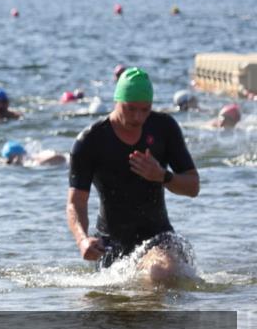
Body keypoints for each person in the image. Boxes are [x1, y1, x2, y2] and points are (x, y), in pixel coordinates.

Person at [66, 67, 200, 285]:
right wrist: (82, 240)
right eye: (130, 109)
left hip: (159, 238)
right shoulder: (90, 141)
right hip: (110, 246)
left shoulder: (164, 128)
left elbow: (193, 187)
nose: (138, 117)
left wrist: (163, 176)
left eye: (145, 110)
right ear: (117, 100)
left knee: (162, 272)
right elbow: (76, 202)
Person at [1, 140, 66, 166]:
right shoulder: (5, 163)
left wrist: (40, 163)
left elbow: (61, 157)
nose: (11, 161)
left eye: (11, 157)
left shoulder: (35, 161)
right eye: (8, 158)